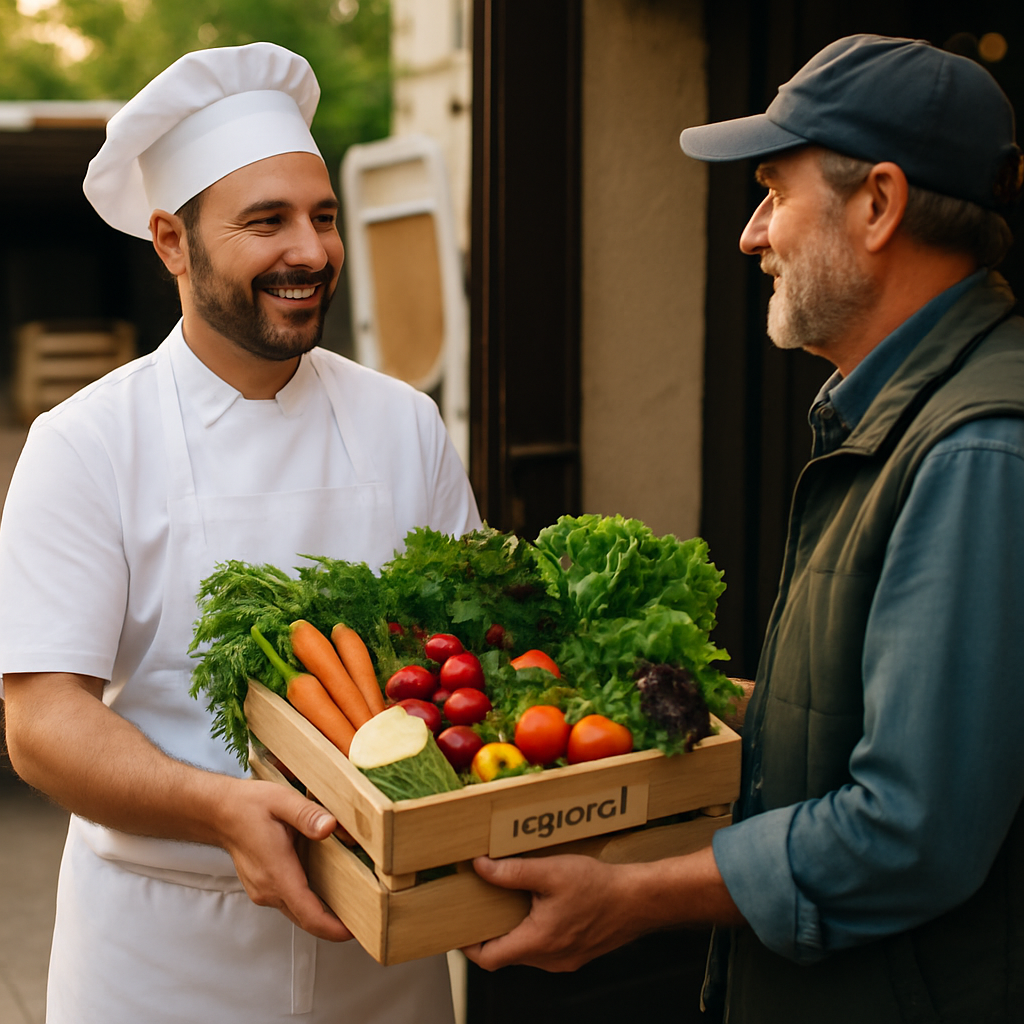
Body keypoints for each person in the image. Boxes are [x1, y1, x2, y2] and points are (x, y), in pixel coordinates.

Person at [463, 34, 1024, 1022]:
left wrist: (630, 897)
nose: (750, 233)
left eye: (773, 191)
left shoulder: (979, 450)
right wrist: (677, 695)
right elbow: (873, 720)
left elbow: (908, 830)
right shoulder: (895, 413)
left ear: (879, 204)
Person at [0, 43, 479, 1024]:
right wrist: (220, 807)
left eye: (322, 216)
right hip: (164, 949)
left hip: (383, 950)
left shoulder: (404, 423)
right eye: (266, 222)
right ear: (173, 242)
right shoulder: (85, 442)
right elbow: (42, 720)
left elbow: (473, 648)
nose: (309, 250)